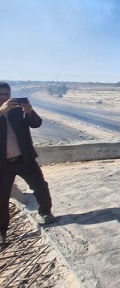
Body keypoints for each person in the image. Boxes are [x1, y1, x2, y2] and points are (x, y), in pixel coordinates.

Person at [0, 82, 55, 245]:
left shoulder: (18, 110)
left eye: (7, 94)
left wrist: (30, 112)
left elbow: (36, 123)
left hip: (25, 159)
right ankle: (1, 232)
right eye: (0, 94)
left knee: (40, 186)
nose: (4, 97)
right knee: (1, 197)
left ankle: (45, 212)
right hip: (3, 164)